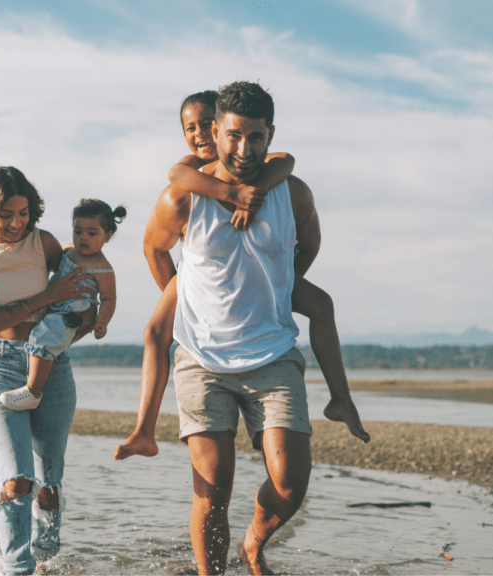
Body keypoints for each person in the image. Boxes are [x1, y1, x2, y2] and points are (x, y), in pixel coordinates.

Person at [115, 91, 369, 461]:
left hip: (262, 278)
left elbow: (286, 160)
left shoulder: (269, 168)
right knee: (156, 333)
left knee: (321, 303)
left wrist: (278, 282)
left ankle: (340, 397)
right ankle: (144, 430)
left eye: (206, 125)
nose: (200, 134)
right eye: (192, 127)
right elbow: (175, 177)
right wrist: (231, 194)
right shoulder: (189, 171)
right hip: (199, 280)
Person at [140, 81, 328, 575]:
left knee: (290, 483)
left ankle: (253, 542)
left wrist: (276, 284)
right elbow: (154, 248)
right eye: (233, 136)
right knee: (213, 487)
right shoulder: (183, 196)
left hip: (272, 352)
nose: (244, 148)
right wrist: (184, 296)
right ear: (218, 134)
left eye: (256, 138)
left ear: (270, 137)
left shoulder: (290, 189)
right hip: (202, 358)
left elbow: (308, 244)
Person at [0, 166, 94, 575]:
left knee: (48, 486)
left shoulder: (46, 242)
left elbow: (85, 283)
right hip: (1, 365)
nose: (17, 223)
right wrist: (50, 295)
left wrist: (84, 319)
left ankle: (48, 561)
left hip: (52, 366)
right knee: (18, 480)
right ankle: (18, 568)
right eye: (6, 214)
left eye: (23, 213)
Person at [0, 198, 126, 411]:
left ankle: (33, 391)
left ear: (108, 236)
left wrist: (102, 321)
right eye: (78, 231)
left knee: (43, 340)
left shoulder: (103, 269)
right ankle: (31, 380)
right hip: (52, 305)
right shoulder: (68, 251)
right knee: (36, 336)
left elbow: (108, 299)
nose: (83, 238)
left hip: (70, 315)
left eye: (92, 233)